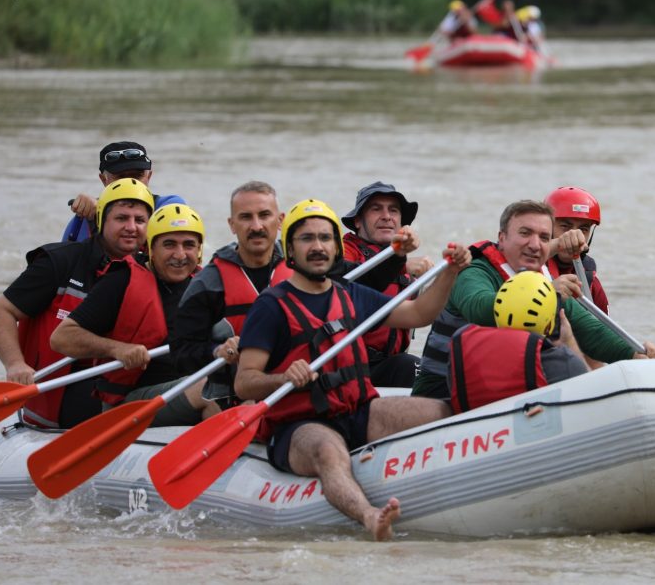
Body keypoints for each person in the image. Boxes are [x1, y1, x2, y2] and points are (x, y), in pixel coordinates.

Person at [233, 198, 472, 540]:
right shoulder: (270, 307)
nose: (318, 247)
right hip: (298, 425)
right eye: (307, 239)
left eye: (325, 238)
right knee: (328, 451)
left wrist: (450, 272)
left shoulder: (351, 294)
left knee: (441, 409)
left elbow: (419, 314)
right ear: (290, 251)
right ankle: (370, 516)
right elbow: (244, 383)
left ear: (336, 248)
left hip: (357, 411)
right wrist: (283, 378)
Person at [172, 181, 409, 409]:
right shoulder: (209, 283)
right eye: (246, 217)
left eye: (264, 215)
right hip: (236, 396)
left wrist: (398, 253)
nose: (256, 226)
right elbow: (181, 352)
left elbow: (366, 281)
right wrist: (216, 351)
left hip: (306, 386)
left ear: (280, 221)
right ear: (232, 225)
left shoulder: (307, 260)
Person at [413, 200, 655, 400]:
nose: (535, 244)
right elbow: (481, 309)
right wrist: (547, 294)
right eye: (525, 233)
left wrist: (636, 355)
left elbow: (592, 331)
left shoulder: (544, 279)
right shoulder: (473, 272)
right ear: (502, 239)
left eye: (544, 237)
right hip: (444, 391)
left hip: (503, 389)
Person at [0, 179, 155, 428]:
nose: (131, 227)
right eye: (121, 219)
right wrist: (15, 364)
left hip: (122, 379)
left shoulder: (151, 269)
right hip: (60, 387)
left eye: (139, 220)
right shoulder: (59, 261)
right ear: (101, 221)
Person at [50, 204, 219, 425]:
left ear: (199, 250)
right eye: (169, 244)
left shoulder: (206, 286)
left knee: (236, 386)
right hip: (129, 403)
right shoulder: (121, 282)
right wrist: (117, 348)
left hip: (184, 391)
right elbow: (61, 338)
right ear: (150, 247)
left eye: (189, 245)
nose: (180, 255)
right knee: (211, 388)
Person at [448, 271, 589, 412]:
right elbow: (589, 393)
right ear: (548, 325)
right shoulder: (560, 362)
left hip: (480, 431)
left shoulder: (462, 354)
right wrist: (569, 341)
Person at [341, 181, 434, 388]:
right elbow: (347, 288)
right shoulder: (342, 251)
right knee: (415, 369)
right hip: (348, 367)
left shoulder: (405, 262)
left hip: (390, 364)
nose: (386, 216)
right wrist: (403, 265)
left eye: (393, 210)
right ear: (357, 221)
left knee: (441, 369)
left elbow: (425, 314)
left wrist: (449, 275)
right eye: (376, 209)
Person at [62, 141, 184, 242]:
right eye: (120, 177)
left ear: (149, 177)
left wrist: (101, 215)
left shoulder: (169, 205)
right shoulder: (85, 218)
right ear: (104, 180)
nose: (129, 183)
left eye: (137, 176)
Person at [544, 186, 610, 314]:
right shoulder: (527, 265)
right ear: (548, 227)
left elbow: (604, 331)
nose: (574, 236)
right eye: (565, 226)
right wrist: (547, 294)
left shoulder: (590, 280)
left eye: (583, 229)